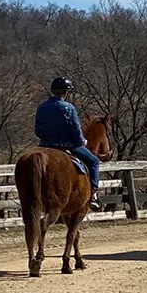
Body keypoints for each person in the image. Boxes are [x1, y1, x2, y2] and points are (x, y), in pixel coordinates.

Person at [35, 76, 103, 212]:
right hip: (67, 146)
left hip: (45, 146)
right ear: (66, 92)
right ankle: (93, 195)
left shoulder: (41, 107)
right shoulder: (69, 108)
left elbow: (37, 130)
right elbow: (76, 130)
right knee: (94, 161)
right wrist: (81, 141)